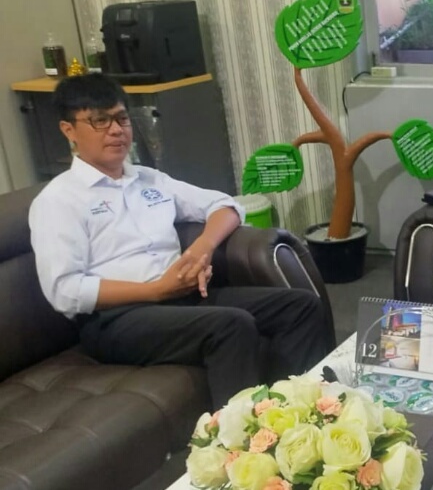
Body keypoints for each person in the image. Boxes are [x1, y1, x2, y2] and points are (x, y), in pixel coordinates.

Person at [29, 73, 334, 409]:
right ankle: (239, 436)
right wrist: (155, 290)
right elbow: (65, 290)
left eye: (121, 118)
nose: (116, 130)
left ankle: (301, 411)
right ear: (69, 130)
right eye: (100, 121)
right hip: (116, 319)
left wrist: (201, 250)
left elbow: (225, 206)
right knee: (231, 326)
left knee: (300, 306)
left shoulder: (149, 179)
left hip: (182, 297)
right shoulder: (58, 200)